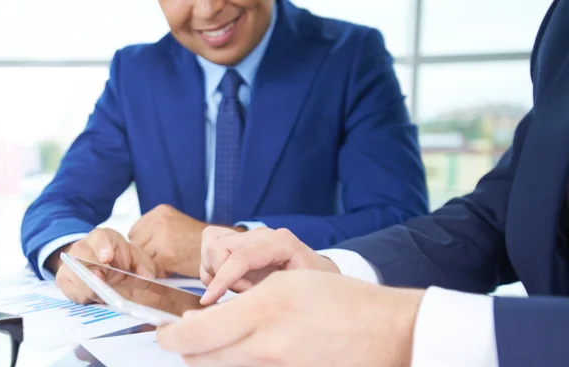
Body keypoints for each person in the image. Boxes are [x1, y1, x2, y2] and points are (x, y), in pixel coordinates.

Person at [157, 0, 569, 367]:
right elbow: (505, 211)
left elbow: (396, 206)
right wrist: (332, 273)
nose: (209, 7)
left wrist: (407, 340)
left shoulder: (350, 52)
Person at [21, 0, 428, 303]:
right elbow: (58, 204)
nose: (208, 9)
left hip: (301, 320)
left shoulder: (352, 56)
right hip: (166, 341)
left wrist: (231, 242)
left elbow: (400, 220)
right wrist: (75, 255)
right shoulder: (135, 72)